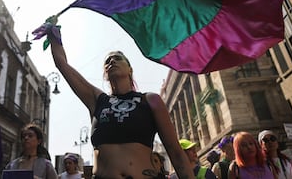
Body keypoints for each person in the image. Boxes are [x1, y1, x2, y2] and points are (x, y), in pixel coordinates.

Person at [41, 19, 194, 179]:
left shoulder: (150, 100)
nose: (112, 61)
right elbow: (62, 64)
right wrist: (53, 35)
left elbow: (175, 151)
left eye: (117, 58)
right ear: (105, 74)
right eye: (107, 61)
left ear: (130, 69)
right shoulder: (98, 100)